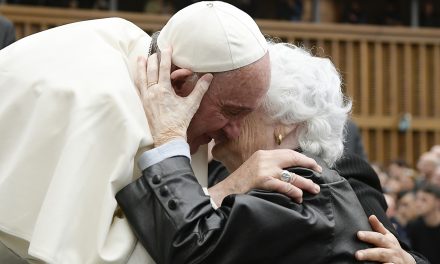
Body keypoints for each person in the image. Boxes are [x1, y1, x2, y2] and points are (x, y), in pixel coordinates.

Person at [0, 2, 322, 263]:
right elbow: (91, 256)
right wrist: (225, 190)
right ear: (180, 82)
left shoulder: (146, 54)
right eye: (230, 112)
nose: (234, 132)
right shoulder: (107, 106)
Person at [116, 42, 427, 263]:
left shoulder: (308, 190)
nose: (224, 123)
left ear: (285, 125)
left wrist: (169, 139)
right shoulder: (233, 173)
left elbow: (193, 247)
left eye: (240, 111)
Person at [407, 184, 440, 263]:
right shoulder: (414, 227)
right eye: (417, 199)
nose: (418, 204)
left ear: (437, 202)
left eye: (424, 200)